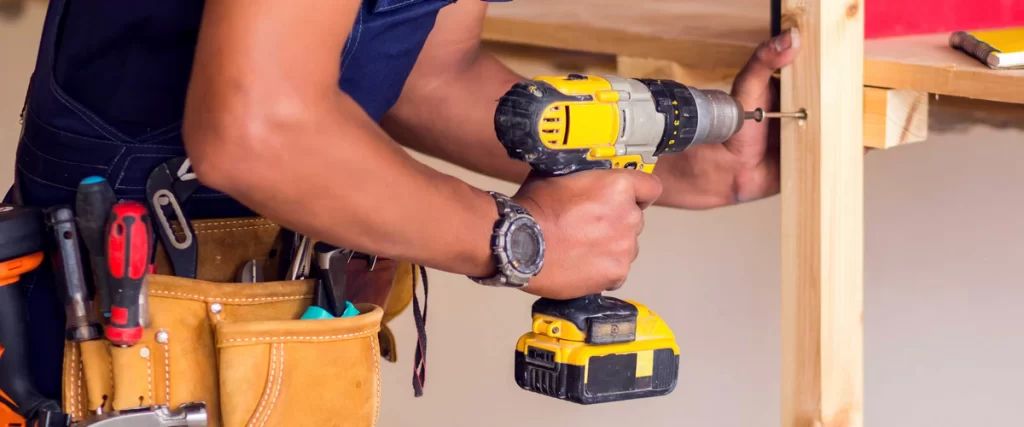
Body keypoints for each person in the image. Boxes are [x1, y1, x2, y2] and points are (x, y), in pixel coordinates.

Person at [7, 0, 800, 404]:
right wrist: (520, 240)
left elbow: (425, 70)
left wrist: (689, 167)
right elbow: (254, 128)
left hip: (277, 324)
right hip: (120, 337)